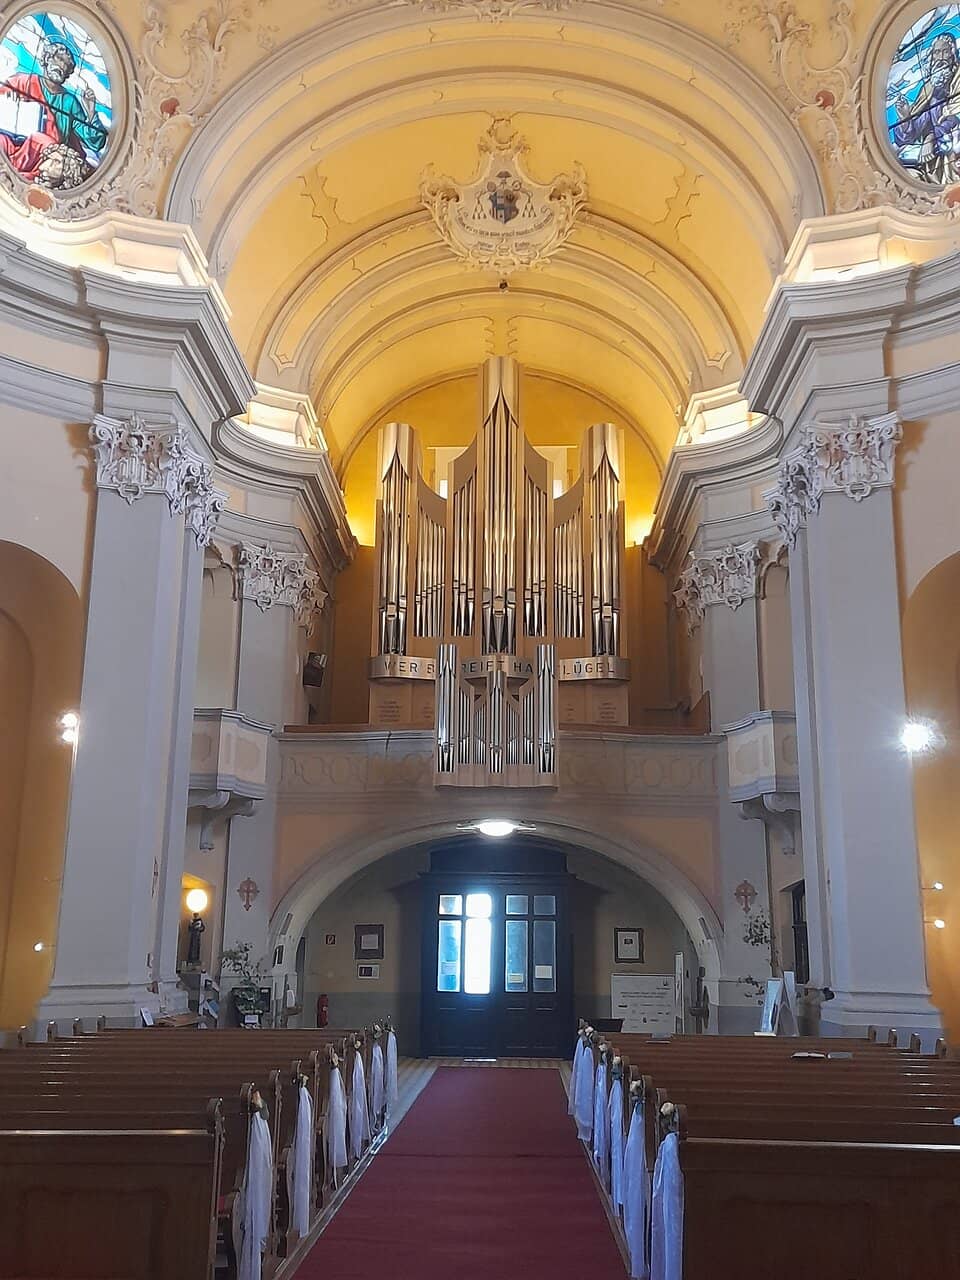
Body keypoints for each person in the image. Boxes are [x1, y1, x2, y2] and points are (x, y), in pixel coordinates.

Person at [0, 37, 107, 187]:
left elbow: (94, 141)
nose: (61, 66)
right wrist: (7, 99)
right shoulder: (22, 81)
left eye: (66, 64)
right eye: (58, 59)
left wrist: (90, 112)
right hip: (15, 145)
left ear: (68, 73)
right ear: (46, 59)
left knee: (44, 143)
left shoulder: (69, 102)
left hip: (49, 157)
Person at [892, 31, 960, 186]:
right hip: (929, 159)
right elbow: (916, 129)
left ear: (953, 54)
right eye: (936, 52)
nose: (941, 57)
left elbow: (955, 116)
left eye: (945, 51)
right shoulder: (928, 87)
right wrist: (905, 118)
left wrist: (931, 137)